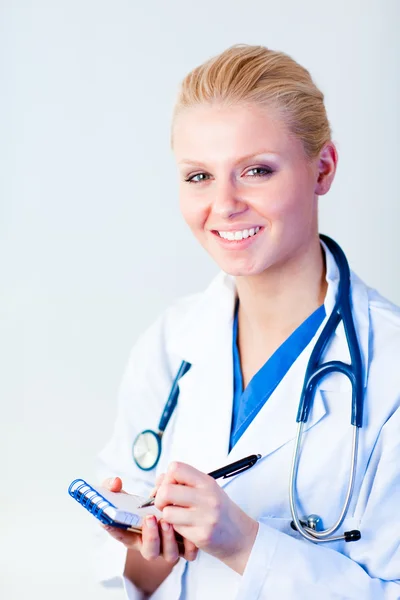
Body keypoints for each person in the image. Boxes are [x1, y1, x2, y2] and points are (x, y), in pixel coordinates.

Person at [94, 44, 400, 599]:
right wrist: (144, 543)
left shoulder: (389, 365)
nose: (224, 203)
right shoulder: (172, 341)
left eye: (256, 171)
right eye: (199, 177)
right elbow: (129, 583)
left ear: (323, 168)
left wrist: (242, 542)